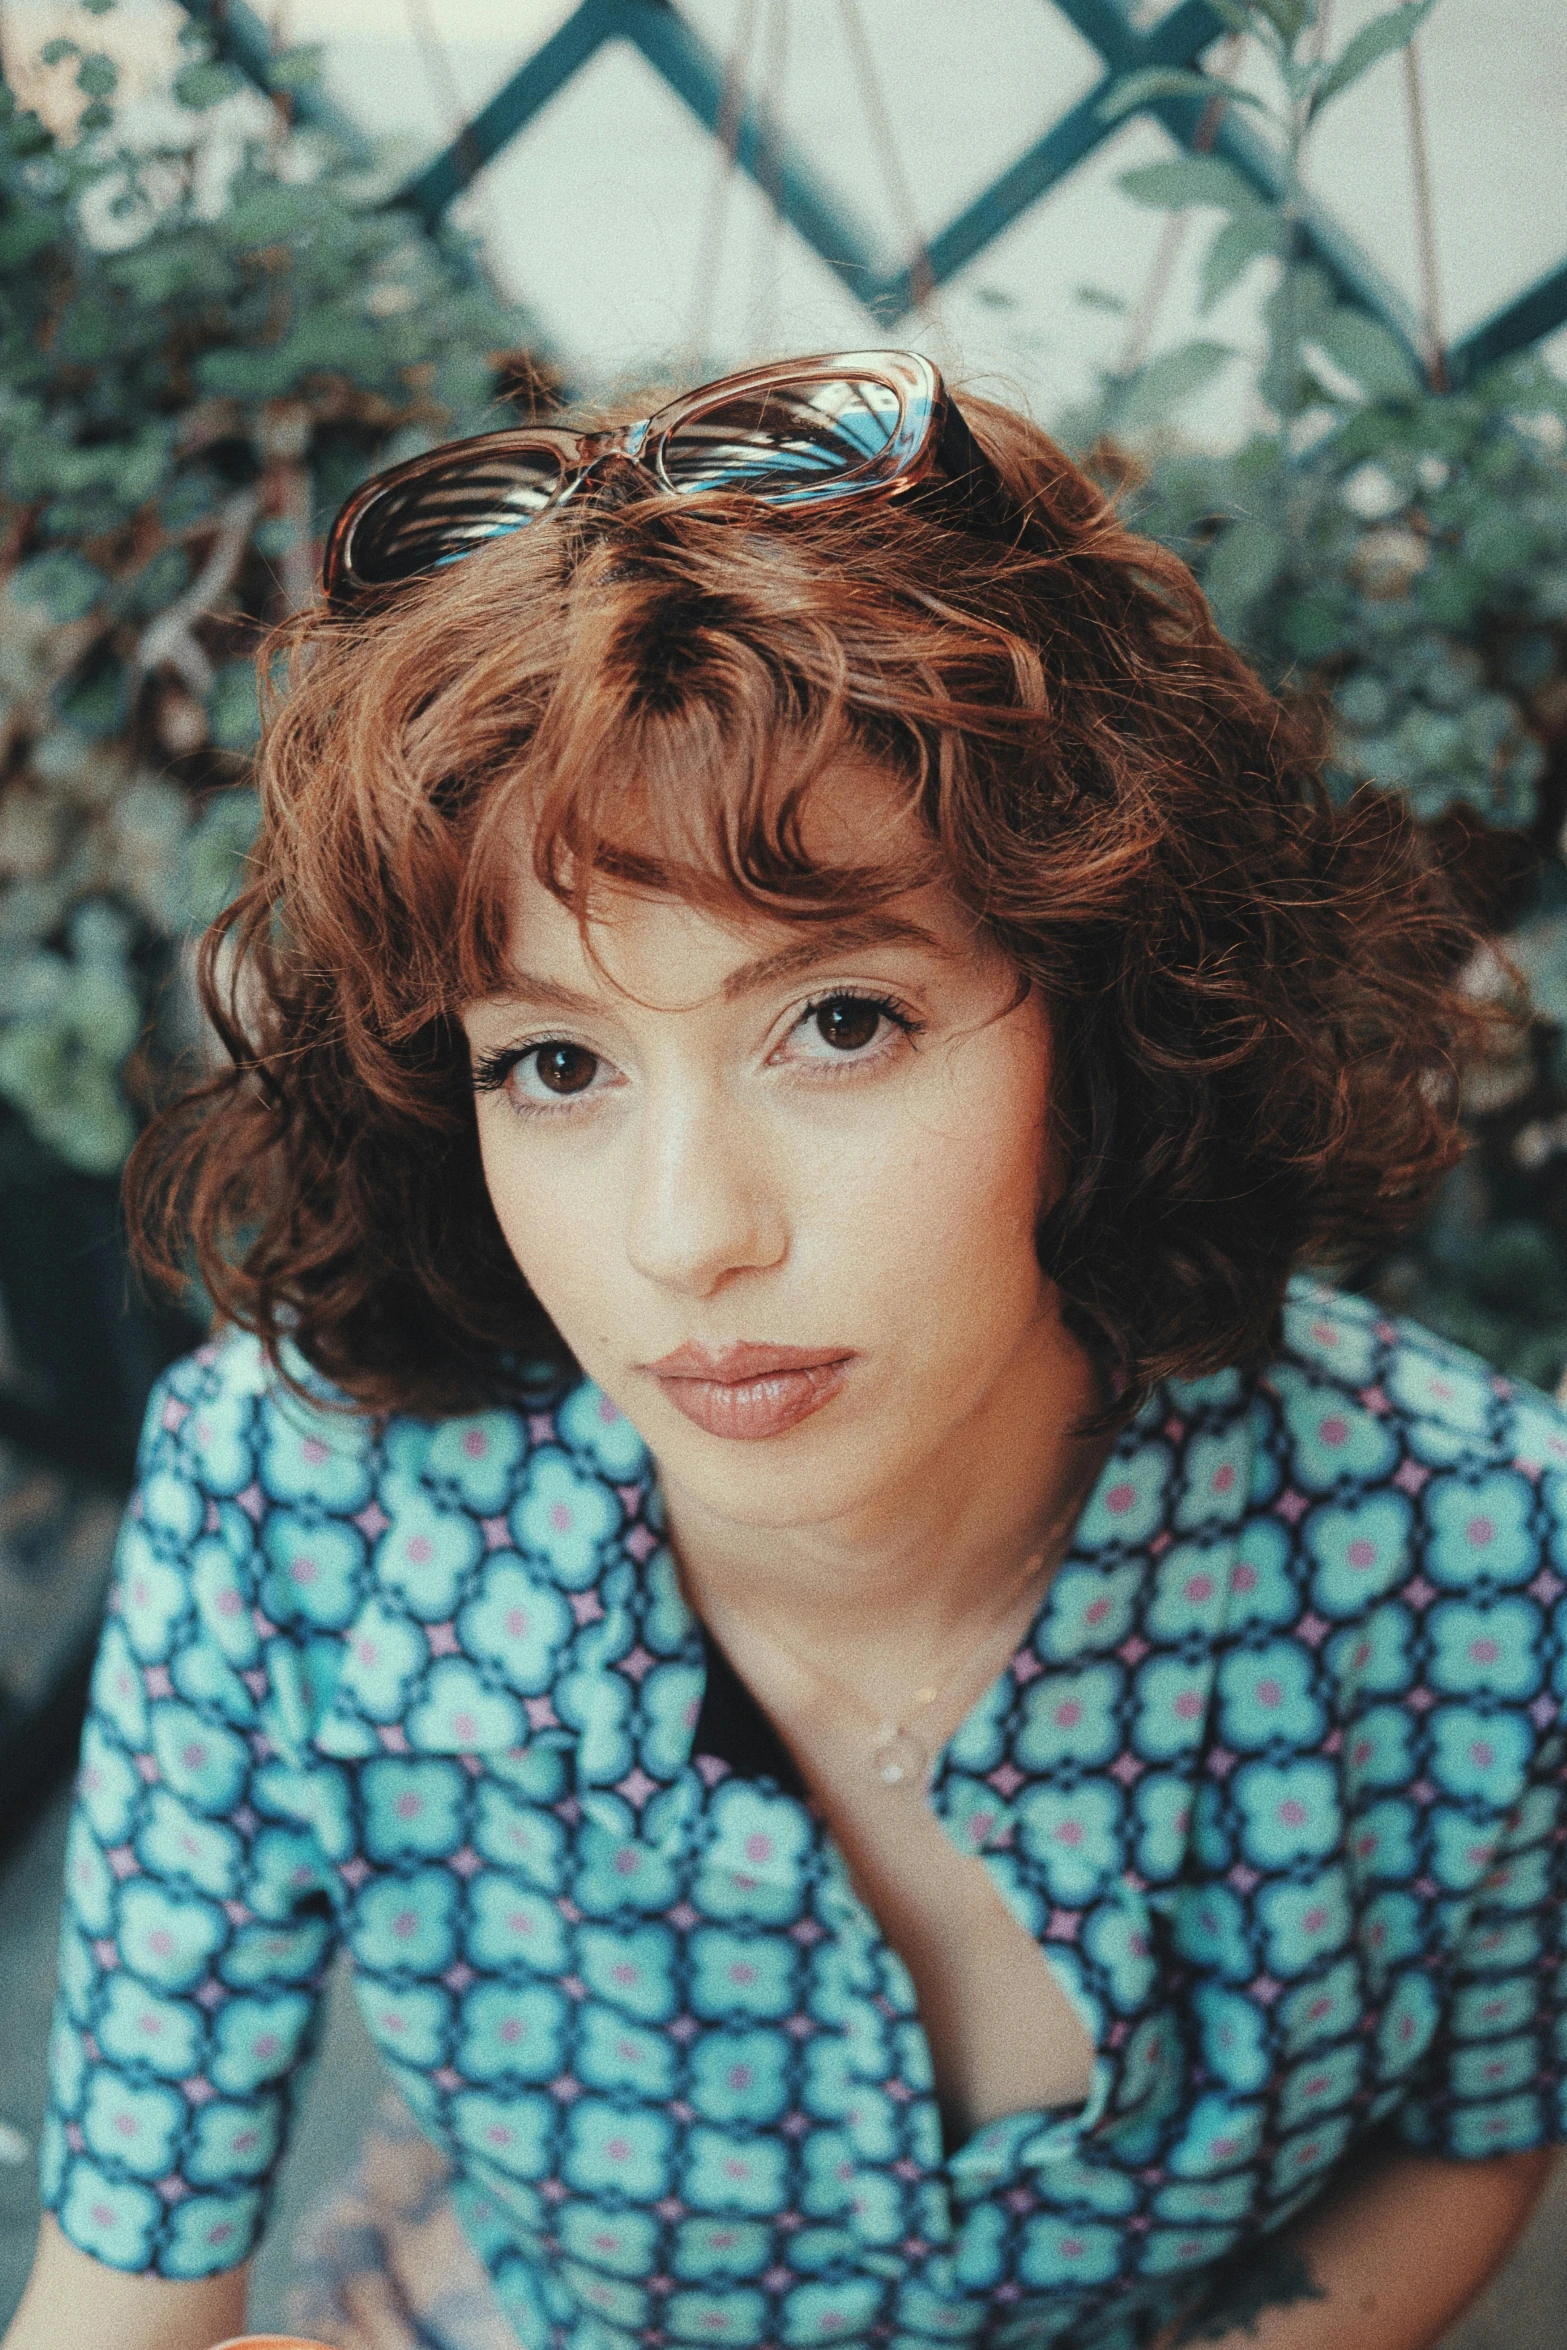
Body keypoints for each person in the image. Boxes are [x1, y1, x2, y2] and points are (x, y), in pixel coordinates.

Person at [4, 349, 1564, 2350]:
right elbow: (117, 2299)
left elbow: (1476, 2129)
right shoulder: (287, 1519)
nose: (686, 1235)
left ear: (1094, 1020)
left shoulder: (1479, 1558)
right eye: (552, 1060)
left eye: (838, 1021)